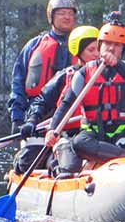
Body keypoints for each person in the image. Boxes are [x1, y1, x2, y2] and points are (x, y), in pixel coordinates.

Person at [46, 14, 125, 174]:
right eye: (107, 43)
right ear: (100, 45)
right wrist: (53, 129)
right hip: (92, 135)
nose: (111, 48)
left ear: (123, 49)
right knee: (79, 143)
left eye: (117, 45)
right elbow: (67, 104)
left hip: (123, 135)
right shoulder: (84, 73)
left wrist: (117, 64)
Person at [12, 25, 100, 174]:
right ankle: (52, 163)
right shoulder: (65, 75)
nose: (97, 54)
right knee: (32, 162)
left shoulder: (111, 75)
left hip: (96, 134)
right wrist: (32, 120)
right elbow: (42, 100)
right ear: (78, 52)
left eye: (99, 49)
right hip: (68, 134)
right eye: (91, 50)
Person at [8, 0, 78, 132]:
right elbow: (18, 82)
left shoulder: (84, 45)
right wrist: (17, 118)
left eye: (70, 13)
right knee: (28, 153)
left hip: (73, 113)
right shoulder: (34, 45)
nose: (67, 17)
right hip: (38, 114)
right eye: (61, 13)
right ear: (51, 17)